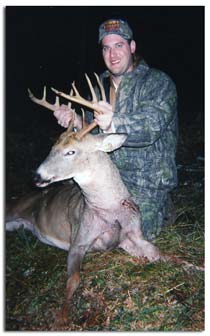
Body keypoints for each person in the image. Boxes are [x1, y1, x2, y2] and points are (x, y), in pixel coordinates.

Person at [54, 18, 178, 241]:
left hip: (146, 184)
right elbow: (93, 138)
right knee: (72, 221)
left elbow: (151, 127)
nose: (112, 55)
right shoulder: (98, 88)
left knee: (124, 237)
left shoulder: (157, 82)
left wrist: (114, 122)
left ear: (132, 47)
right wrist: (76, 121)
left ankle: (163, 206)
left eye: (119, 45)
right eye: (106, 48)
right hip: (108, 180)